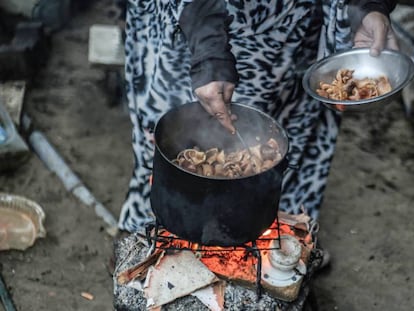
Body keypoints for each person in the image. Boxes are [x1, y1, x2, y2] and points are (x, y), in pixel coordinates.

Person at [118, 0, 398, 233]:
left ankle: (282, 251)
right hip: (190, 17)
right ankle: (144, 240)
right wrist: (208, 54)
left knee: (286, 127)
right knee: (168, 139)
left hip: (293, 23)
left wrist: (367, 7)